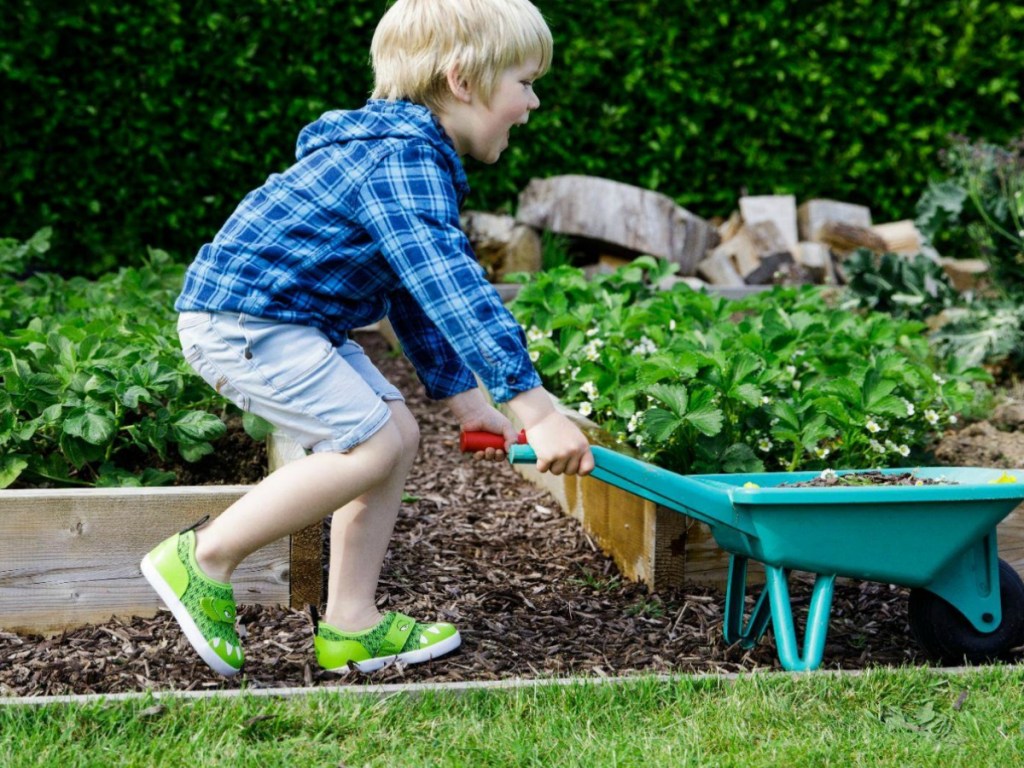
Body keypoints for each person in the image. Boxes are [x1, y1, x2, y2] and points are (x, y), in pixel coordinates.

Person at [141, 0, 594, 677]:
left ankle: (353, 625)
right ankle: (203, 557)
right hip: (250, 321)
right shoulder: (402, 158)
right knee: (371, 442)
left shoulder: (405, 154)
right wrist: (536, 410)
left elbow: (411, 292)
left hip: (287, 322)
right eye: (526, 82)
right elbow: (454, 290)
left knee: (395, 435)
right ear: (464, 79)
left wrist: (471, 404)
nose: (532, 103)